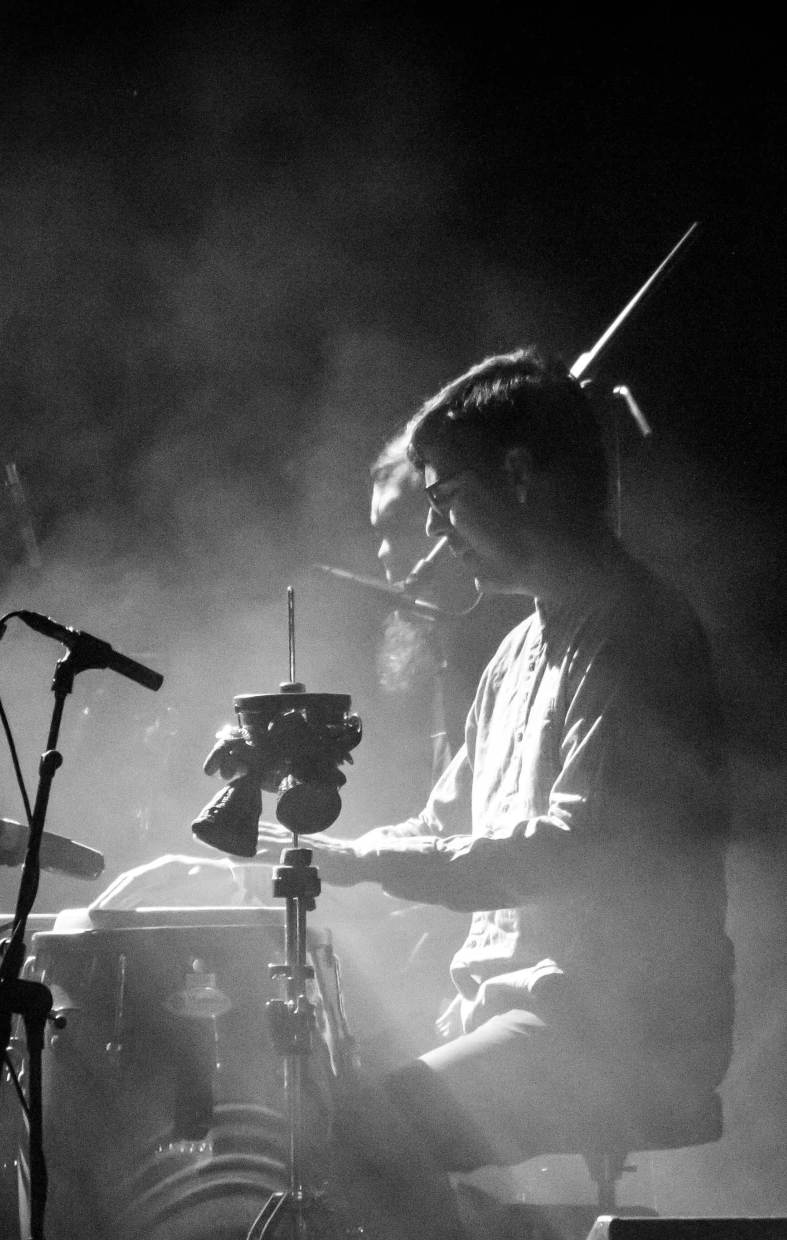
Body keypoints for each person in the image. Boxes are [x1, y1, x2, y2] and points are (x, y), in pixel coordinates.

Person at [306, 348, 736, 1177]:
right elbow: (442, 827)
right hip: (517, 1015)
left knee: (357, 1143)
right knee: (298, 1100)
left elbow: (574, 847)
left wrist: (362, 863)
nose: (434, 528)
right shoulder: (514, 654)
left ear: (518, 474)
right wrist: (291, 867)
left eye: (445, 497)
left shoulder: (635, 627)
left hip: (608, 1029)